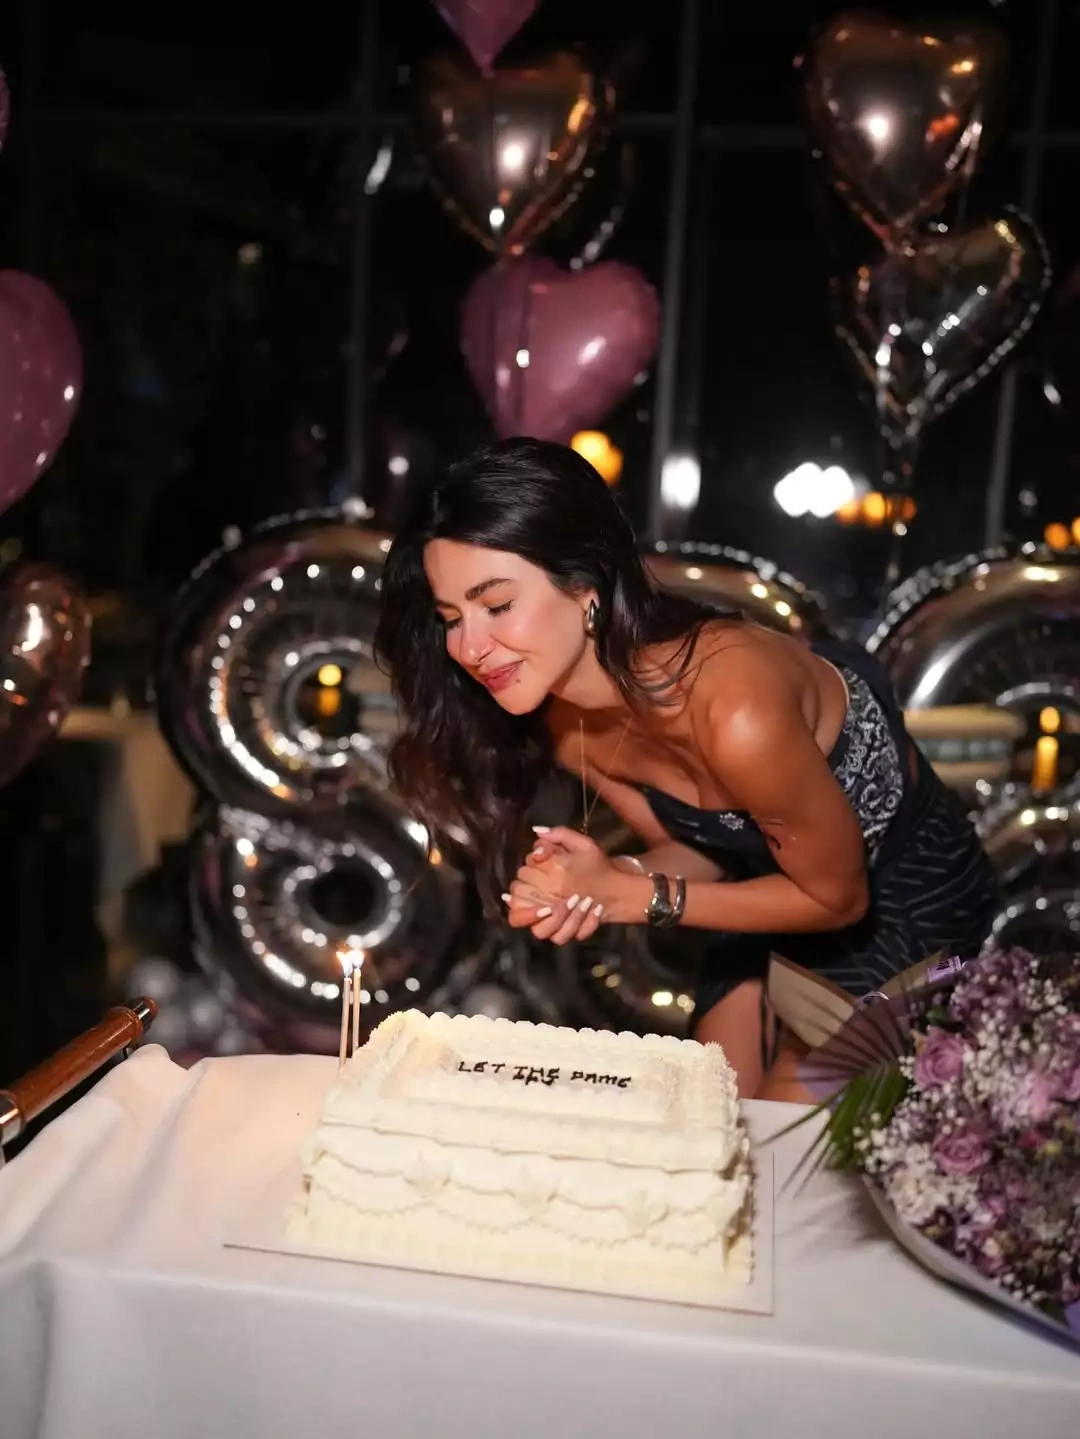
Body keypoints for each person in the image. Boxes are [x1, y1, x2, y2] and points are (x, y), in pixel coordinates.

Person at [374, 438, 998, 1100]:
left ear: (584, 587)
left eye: (497, 605)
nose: (469, 646)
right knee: (709, 1111)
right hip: (764, 899)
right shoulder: (564, 722)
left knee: (779, 1136)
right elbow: (704, 854)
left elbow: (839, 898)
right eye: (450, 618)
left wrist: (633, 896)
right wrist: (601, 879)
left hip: (902, 905)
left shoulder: (735, 708)